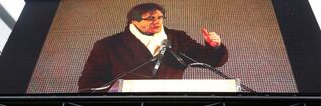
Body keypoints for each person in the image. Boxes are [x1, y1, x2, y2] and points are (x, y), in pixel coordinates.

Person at [78, 2, 228, 92]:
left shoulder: (178, 38)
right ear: (133, 21)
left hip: (170, 104)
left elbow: (208, 61)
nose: (157, 21)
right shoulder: (108, 45)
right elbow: (90, 80)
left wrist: (214, 47)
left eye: (160, 17)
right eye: (150, 18)